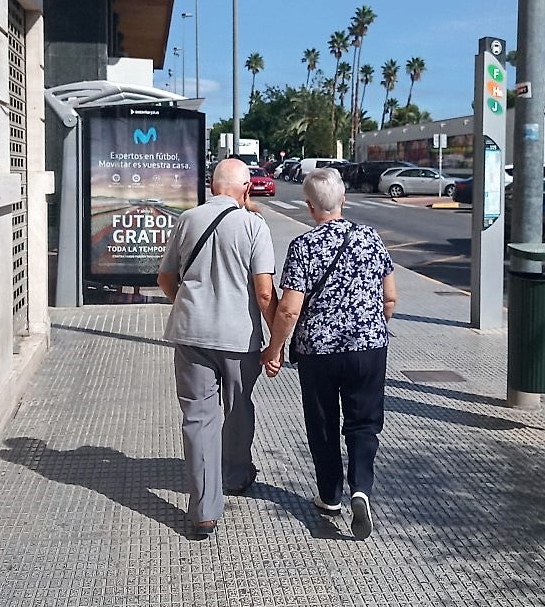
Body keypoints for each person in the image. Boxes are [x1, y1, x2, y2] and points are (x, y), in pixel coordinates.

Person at [262, 167, 397, 540]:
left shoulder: (303, 247)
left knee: (323, 424)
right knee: (364, 422)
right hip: (368, 347)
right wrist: (374, 326)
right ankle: (361, 489)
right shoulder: (372, 239)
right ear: (343, 200)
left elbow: (289, 309)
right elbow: (391, 297)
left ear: (309, 206)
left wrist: (274, 350)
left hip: (317, 351)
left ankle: (329, 495)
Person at [158, 158, 278, 538]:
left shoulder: (188, 220)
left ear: (212, 187)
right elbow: (263, 291)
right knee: (238, 406)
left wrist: (187, 305)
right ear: (246, 188)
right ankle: (237, 475)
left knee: (198, 418)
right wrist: (277, 340)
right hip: (239, 338)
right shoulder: (254, 226)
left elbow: (165, 278)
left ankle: (204, 510)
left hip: (192, 333)